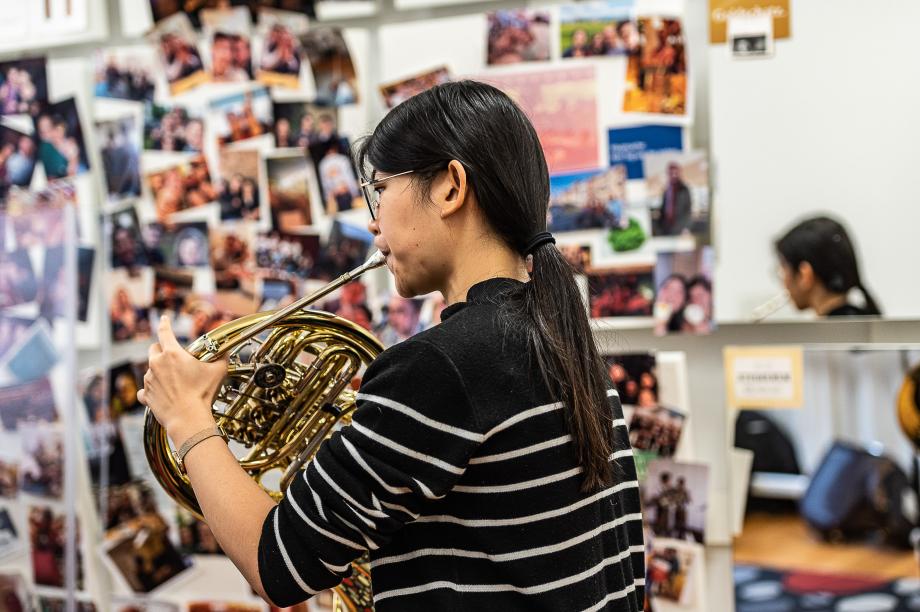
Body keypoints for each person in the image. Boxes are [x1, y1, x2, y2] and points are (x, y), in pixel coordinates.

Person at [139, 81, 645, 610]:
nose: (373, 220)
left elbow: (278, 565)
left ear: (450, 187)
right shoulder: (563, 341)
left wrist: (189, 417)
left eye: (379, 189)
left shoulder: (442, 365)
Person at [775, 216, 882, 317]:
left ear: (805, 275)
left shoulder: (829, 330)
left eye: (783, 270)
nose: (784, 281)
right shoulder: (862, 321)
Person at [656, 162, 691, 236]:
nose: (673, 175)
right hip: (666, 228)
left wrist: (686, 227)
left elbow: (688, 209)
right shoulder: (667, 190)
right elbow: (663, 209)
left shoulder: (684, 189)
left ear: (679, 173)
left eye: (675, 173)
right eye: (671, 173)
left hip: (680, 228)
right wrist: (660, 226)